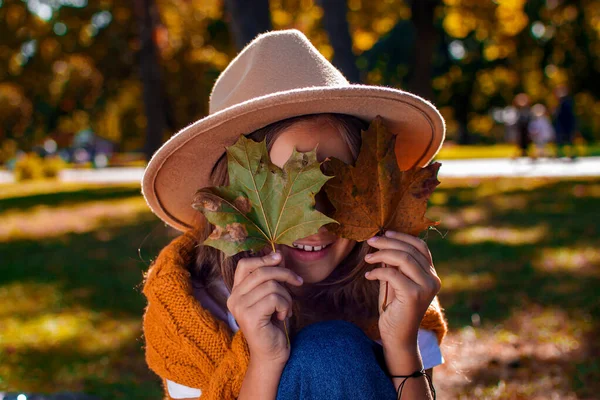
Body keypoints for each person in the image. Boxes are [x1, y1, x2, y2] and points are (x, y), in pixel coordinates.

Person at [141, 30, 448, 400]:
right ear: (235, 201)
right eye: (286, 192)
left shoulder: (395, 291)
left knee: (332, 350)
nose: (317, 217)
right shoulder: (189, 310)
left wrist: (400, 345)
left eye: (333, 183)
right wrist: (265, 359)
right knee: (328, 353)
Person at [553, 85, 577, 160]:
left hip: (567, 124)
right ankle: (559, 154)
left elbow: (569, 114)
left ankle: (570, 154)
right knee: (559, 140)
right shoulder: (559, 102)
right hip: (561, 124)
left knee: (569, 140)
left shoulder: (567, 101)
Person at [512, 93, 533, 159]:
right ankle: (519, 153)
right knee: (519, 142)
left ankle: (529, 153)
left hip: (527, 130)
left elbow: (530, 120)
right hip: (520, 130)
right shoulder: (517, 110)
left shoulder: (528, 110)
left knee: (528, 143)